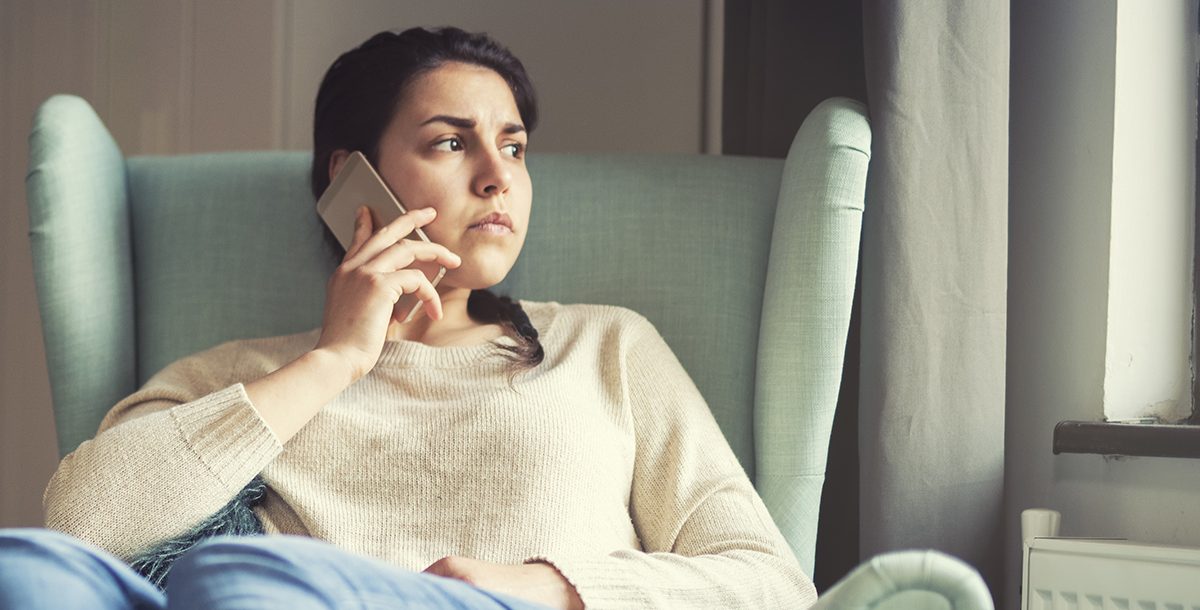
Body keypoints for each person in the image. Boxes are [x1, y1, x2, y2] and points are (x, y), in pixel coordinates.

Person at [0, 26, 817, 610]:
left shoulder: (606, 347)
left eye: (516, 146)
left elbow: (772, 583)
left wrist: (557, 586)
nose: (498, 176)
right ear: (351, 179)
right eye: (451, 143)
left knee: (238, 585)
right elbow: (81, 522)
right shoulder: (244, 376)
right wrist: (333, 363)